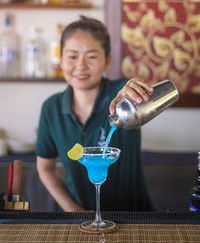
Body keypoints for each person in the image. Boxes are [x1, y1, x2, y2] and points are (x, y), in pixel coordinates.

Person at [36, 16, 154, 212]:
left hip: (134, 220)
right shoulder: (51, 108)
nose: (81, 65)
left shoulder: (122, 98)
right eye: (72, 56)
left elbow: (138, 95)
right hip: (78, 222)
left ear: (107, 60)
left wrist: (133, 89)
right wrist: (74, 211)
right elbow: (45, 168)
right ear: (61, 60)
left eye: (91, 56)